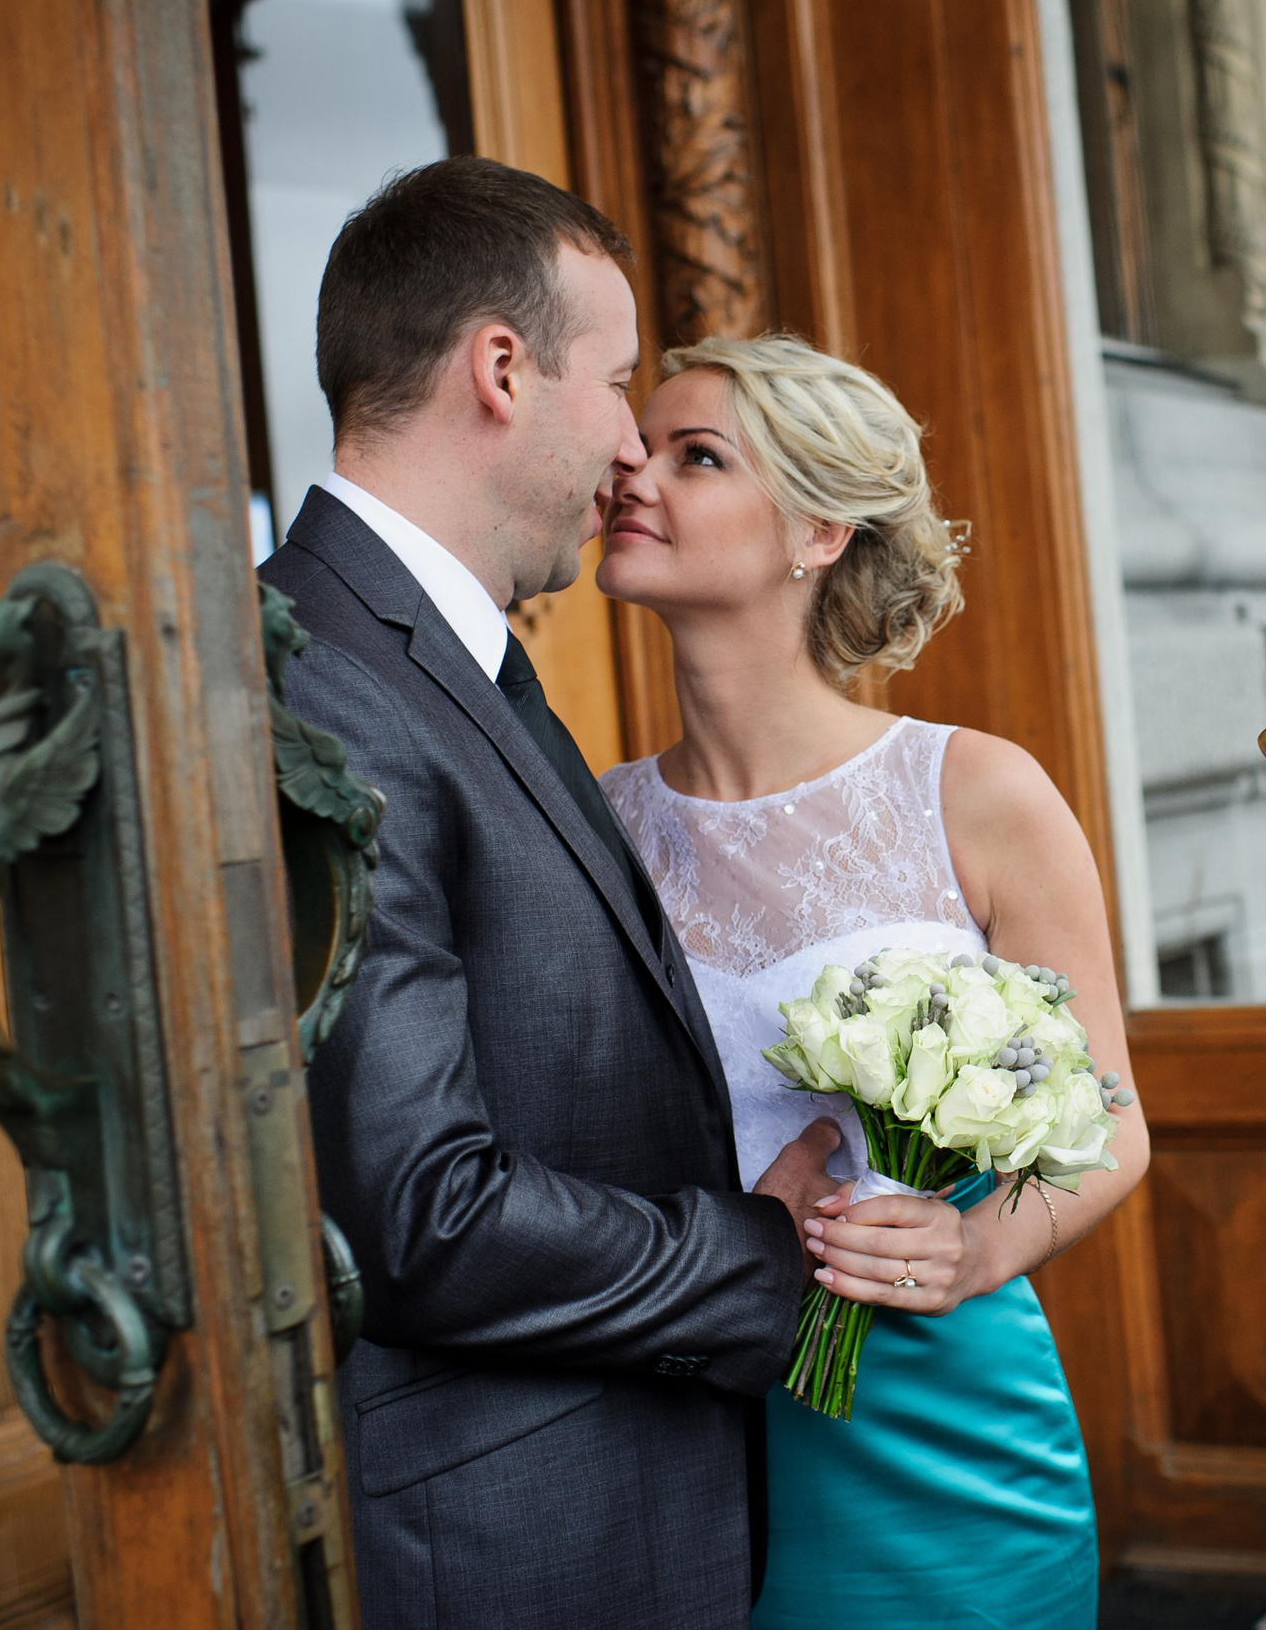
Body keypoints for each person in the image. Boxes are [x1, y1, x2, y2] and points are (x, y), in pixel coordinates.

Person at [259, 159, 834, 1629]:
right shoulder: (325, 679)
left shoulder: (446, 660)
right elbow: (424, 1215)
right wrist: (756, 1257)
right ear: (502, 370)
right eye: (620, 382)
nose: (631, 445)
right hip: (511, 1550)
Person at [596, 332, 1151, 1630]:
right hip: (687, 1426)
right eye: (636, 446)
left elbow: (1114, 1123)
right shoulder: (598, 827)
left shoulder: (977, 791)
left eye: (696, 456)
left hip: (947, 1424)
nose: (634, 474)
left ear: (819, 530)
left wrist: (972, 1247)